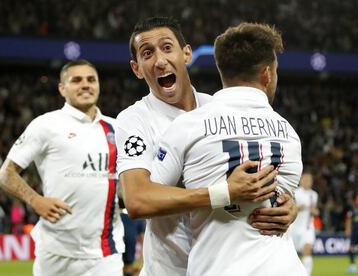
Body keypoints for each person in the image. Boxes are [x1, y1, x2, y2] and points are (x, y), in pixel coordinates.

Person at [115, 17, 297, 275]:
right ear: (137, 68)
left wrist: (287, 206)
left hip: (222, 265)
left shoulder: (218, 110)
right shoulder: (135, 120)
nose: (159, 61)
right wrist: (223, 193)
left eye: (167, 48)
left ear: (186, 54)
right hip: (170, 270)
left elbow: (259, 179)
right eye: (147, 53)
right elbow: (137, 200)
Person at [0, 60, 124, 276]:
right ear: (62, 89)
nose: (85, 85)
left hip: (105, 254)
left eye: (91, 79)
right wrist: (35, 200)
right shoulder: (46, 125)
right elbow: (5, 174)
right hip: (56, 252)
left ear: (99, 85)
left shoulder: (118, 128)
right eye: (76, 80)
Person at [290, 172, 319, 275]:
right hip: (293, 227)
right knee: (292, 254)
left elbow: (315, 210)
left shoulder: (314, 195)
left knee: (307, 250)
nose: (307, 182)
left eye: (309, 180)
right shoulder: (295, 193)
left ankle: (307, 273)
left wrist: (315, 211)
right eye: (305, 180)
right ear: (301, 180)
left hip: (307, 227)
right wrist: (298, 208)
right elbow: (290, 209)